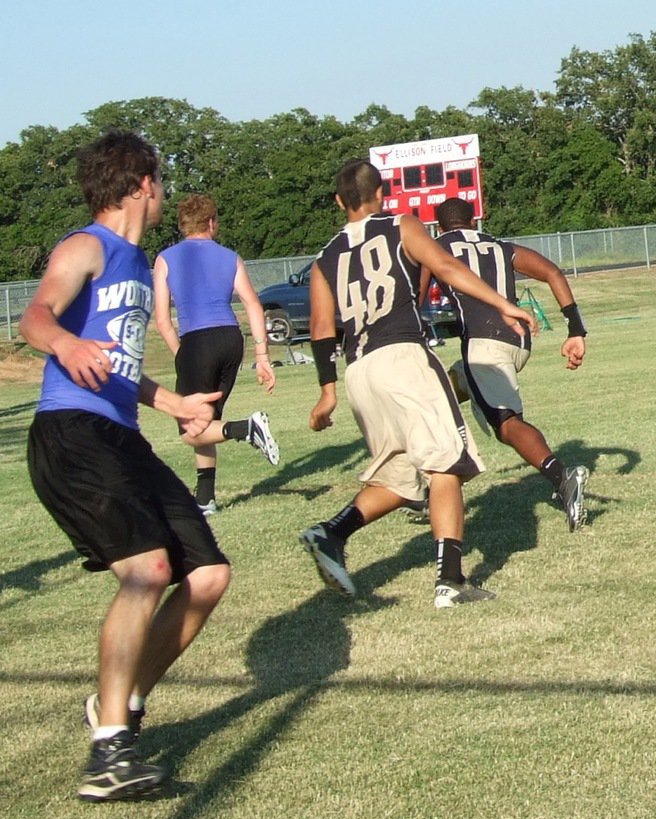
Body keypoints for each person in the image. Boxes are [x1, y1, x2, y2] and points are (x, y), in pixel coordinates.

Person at [20, 132, 231, 802]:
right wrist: (62, 340)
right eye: (160, 180)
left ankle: (121, 706)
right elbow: (36, 315)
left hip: (122, 435)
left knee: (208, 576)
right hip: (72, 434)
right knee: (149, 571)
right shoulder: (87, 246)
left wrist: (176, 402)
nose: (164, 191)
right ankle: (110, 754)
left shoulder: (139, 267)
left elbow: (122, 369)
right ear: (142, 183)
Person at [298, 159, 536, 606]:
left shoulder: (324, 258)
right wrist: (503, 304)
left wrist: (327, 391)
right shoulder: (401, 225)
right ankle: (450, 581)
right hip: (403, 356)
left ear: (338, 201)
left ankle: (331, 533)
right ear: (382, 193)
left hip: (358, 370)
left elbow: (320, 327)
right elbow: (445, 266)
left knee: (401, 475)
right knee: (447, 464)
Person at [422, 197, 589, 531]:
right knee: (437, 399)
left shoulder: (434, 248)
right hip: (518, 341)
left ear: (438, 226)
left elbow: (416, 295)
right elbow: (552, 272)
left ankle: (562, 477)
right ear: (474, 222)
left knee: (507, 424)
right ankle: (427, 490)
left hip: (483, 345)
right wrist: (575, 329)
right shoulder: (499, 246)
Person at [152, 194, 280, 515]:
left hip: (196, 341)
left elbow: (163, 321)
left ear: (183, 226)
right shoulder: (230, 257)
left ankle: (246, 429)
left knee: (190, 431)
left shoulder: (165, 259)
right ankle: (205, 497)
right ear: (211, 223)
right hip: (230, 339)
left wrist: (182, 354)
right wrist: (262, 355)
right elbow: (252, 303)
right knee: (206, 418)